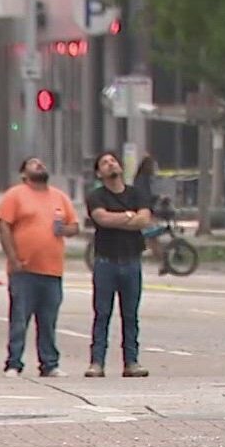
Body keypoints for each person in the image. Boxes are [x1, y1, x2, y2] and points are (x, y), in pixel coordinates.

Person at [0, 156, 78, 377]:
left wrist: (65, 230)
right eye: (33, 163)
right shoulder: (15, 195)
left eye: (42, 163)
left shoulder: (59, 197)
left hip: (52, 270)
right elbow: (4, 225)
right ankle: (14, 363)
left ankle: (49, 364)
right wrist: (13, 258)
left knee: (48, 321)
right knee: (19, 320)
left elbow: (74, 226)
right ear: (24, 174)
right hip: (24, 270)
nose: (40, 165)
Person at [83, 150, 152, 379]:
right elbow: (102, 218)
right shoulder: (96, 196)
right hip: (106, 262)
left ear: (120, 167)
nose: (110, 164)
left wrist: (121, 219)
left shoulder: (136, 194)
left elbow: (144, 219)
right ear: (99, 173)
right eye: (104, 163)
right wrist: (129, 216)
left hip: (132, 261)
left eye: (113, 161)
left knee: (130, 315)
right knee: (102, 313)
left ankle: (131, 362)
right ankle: (97, 362)